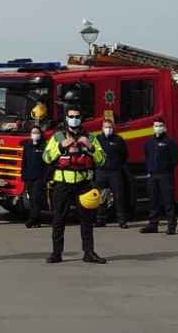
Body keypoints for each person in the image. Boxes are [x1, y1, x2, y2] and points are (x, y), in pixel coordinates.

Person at [43, 107, 106, 264]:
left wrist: (90, 148)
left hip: (83, 183)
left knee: (87, 220)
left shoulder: (90, 138)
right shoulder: (58, 137)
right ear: (66, 118)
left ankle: (89, 253)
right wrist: (60, 147)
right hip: (62, 184)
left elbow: (102, 159)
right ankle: (56, 253)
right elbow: (46, 157)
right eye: (71, 116)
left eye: (77, 116)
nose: (74, 119)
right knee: (58, 219)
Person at [140, 118, 178, 235]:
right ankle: (153, 224)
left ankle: (171, 225)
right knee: (153, 201)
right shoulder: (149, 142)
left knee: (168, 201)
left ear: (164, 127)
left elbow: (175, 159)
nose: (158, 127)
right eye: (156, 125)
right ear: (153, 127)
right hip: (152, 176)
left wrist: (166, 168)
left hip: (165, 175)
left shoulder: (170, 142)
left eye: (160, 125)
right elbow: (147, 157)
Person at [95, 119, 129, 229]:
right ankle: (100, 219)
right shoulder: (97, 139)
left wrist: (117, 165)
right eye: (106, 127)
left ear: (113, 128)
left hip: (115, 172)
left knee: (119, 196)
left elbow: (124, 155)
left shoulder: (118, 140)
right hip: (101, 172)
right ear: (102, 128)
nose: (108, 129)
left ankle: (122, 221)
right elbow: (93, 154)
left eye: (109, 127)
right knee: (101, 197)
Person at [21, 125, 47, 228]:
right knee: (31, 199)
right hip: (29, 176)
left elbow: (47, 163)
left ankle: (31, 220)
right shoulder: (27, 146)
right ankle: (37, 220)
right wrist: (23, 175)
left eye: (37, 132)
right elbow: (24, 162)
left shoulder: (44, 146)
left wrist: (46, 177)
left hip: (39, 177)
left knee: (36, 198)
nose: (35, 134)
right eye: (33, 132)